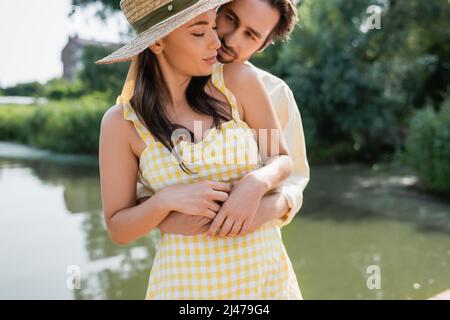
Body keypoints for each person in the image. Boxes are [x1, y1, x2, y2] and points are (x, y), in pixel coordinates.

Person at [98, 0, 302, 299]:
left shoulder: (238, 81)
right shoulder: (121, 123)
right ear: (157, 41)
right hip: (185, 289)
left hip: (266, 284)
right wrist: (164, 202)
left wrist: (256, 183)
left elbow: (281, 158)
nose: (217, 41)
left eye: (212, 27)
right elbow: (119, 228)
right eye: (199, 32)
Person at [136, 0, 310, 239]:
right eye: (230, 19)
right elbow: (137, 190)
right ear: (214, 9)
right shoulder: (152, 95)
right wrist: (167, 220)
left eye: (250, 35)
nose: (231, 40)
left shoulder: (274, 93)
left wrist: (259, 200)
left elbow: (292, 177)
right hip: (184, 261)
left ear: (261, 46)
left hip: (257, 253)